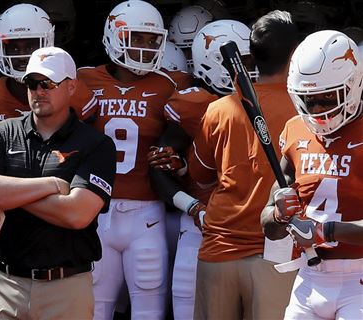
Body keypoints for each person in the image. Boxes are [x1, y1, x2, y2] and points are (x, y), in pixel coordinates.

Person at [0, 46, 116, 320]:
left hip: (66, 287)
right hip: (5, 283)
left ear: (71, 87)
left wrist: (9, 192)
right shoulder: (1, 132)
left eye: (48, 83)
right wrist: (50, 184)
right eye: (32, 84)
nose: (39, 91)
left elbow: (76, 213)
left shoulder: (96, 144)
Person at [187, 10, 300, 319]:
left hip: (220, 247)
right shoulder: (306, 113)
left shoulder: (219, 108)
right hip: (276, 252)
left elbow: (199, 175)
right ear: (295, 55)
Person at [147, 18, 256, 320]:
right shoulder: (194, 104)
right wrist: (194, 208)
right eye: (242, 60)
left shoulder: (266, 99)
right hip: (202, 225)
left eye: (250, 59)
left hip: (253, 225)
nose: (249, 68)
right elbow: (157, 168)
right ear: (212, 62)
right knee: (189, 306)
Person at [77, 1, 176, 318]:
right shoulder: (83, 79)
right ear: (114, 36)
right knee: (96, 308)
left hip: (146, 214)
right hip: (96, 210)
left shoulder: (170, 85)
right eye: (137, 38)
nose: (146, 48)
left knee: (149, 307)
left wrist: (174, 155)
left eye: (152, 40)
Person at [262, 30, 363, 320]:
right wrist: (279, 213)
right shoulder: (295, 130)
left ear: (353, 84)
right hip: (310, 277)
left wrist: (324, 231)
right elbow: (269, 226)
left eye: (327, 97)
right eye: (309, 99)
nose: (318, 109)